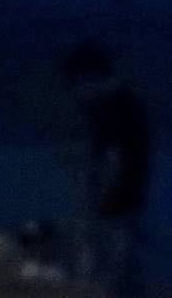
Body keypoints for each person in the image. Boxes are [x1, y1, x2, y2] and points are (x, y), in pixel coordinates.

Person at [60, 41, 149, 296]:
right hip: (123, 204)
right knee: (121, 272)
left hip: (114, 208)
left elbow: (112, 161)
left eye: (77, 85)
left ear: (88, 78)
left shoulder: (112, 110)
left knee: (109, 275)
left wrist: (95, 206)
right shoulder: (123, 105)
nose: (77, 94)